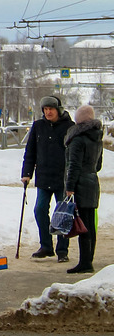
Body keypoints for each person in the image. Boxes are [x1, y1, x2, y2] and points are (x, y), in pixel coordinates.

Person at [21, 96, 74, 261]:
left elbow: (73, 154)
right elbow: (30, 151)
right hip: (44, 177)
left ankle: (62, 250)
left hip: (62, 178)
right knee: (40, 210)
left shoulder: (69, 127)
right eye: (45, 109)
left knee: (63, 214)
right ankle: (46, 246)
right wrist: (26, 173)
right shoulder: (38, 126)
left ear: (58, 109)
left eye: (51, 109)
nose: (48, 112)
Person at [63, 104, 102, 274]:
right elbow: (98, 165)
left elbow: (74, 166)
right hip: (93, 182)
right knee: (90, 225)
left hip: (81, 184)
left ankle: (85, 263)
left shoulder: (78, 139)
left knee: (82, 224)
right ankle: (88, 259)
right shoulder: (97, 137)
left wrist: (69, 187)